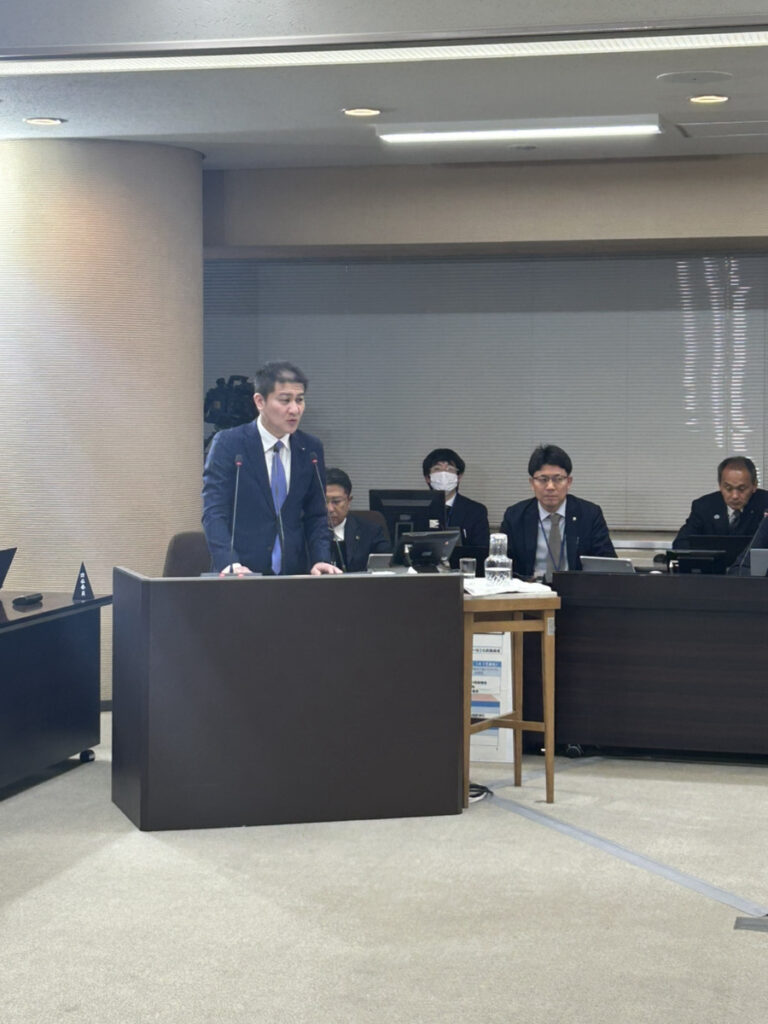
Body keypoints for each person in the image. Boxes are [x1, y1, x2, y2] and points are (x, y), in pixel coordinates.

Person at [202, 360, 340, 575]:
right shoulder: (229, 444)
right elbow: (214, 512)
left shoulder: (310, 449)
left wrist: (320, 558)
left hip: (294, 575)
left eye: (300, 400)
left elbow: (316, 515)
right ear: (260, 401)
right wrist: (229, 563)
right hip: (239, 574)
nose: (295, 409)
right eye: (285, 400)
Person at [500, 444, 616, 580]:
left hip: (576, 589)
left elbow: (608, 564)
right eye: (543, 480)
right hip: (530, 590)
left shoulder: (589, 515)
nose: (550, 487)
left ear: (569, 482)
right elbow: (501, 565)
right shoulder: (515, 516)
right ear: (532, 483)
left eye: (558, 479)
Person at [672, 456, 768, 549]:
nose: (734, 496)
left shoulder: (765, 503)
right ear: (720, 485)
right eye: (728, 488)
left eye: (741, 489)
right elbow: (681, 543)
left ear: (754, 485)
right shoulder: (704, 506)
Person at [325, 468, 391, 572]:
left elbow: (387, 569)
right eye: (323, 501)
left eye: (336, 501)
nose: (330, 509)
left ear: (349, 501)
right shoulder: (303, 534)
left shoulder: (371, 532)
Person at [422, 448, 490, 547]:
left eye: (450, 469)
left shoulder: (476, 511)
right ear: (427, 478)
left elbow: (482, 549)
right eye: (437, 469)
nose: (444, 475)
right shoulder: (417, 508)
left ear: (459, 477)